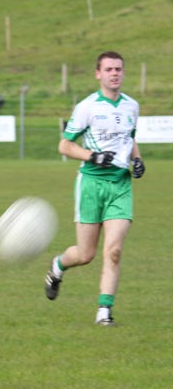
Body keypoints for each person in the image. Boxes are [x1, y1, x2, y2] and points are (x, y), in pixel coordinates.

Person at [44, 51, 145, 326]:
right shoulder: (87, 106)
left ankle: (104, 311)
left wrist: (137, 160)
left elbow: (130, 139)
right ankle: (58, 266)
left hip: (120, 186)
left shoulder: (131, 107)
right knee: (85, 254)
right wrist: (92, 156)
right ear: (98, 74)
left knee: (113, 251)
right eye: (109, 69)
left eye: (119, 69)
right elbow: (65, 146)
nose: (115, 73)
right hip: (90, 184)